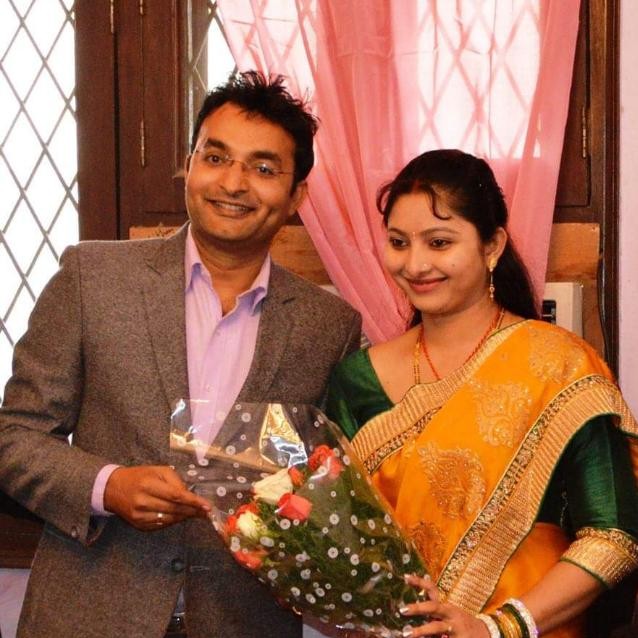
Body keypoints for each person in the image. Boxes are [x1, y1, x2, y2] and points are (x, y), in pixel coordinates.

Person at [0, 71, 361, 638]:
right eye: (215, 158)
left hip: (242, 622)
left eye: (264, 169)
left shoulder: (329, 326)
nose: (234, 183)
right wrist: (107, 485)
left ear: (297, 195)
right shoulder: (91, 278)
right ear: (189, 166)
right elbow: (14, 437)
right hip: (89, 615)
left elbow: (318, 484)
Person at [326, 150, 638, 638]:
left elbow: (614, 536)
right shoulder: (356, 380)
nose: (415, 264)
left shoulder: (558, 365)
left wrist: (498, 627)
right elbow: (342, 537)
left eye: (439, 242)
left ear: (492, 246)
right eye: (398, 242)